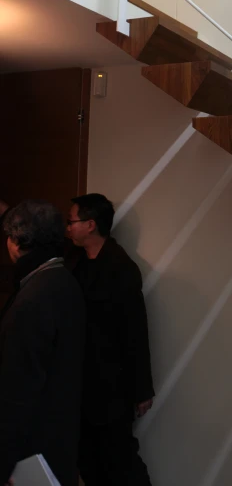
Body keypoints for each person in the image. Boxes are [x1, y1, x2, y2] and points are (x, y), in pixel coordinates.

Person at [66, 193, 154, 486]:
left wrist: (142, 389)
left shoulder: (121, 268)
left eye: (72, 221)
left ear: (90, 224)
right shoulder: (74, 261)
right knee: (88, 461)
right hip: (81, 384)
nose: (68, 227)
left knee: (120, 461)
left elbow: (135, 331)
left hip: (111, 385)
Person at [0, 200, 85, 486]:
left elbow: (19, 388)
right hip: (59, 431)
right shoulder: (62, 280)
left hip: (32, 446)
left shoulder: (34, 296)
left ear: (15, 242)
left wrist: (5, 460)